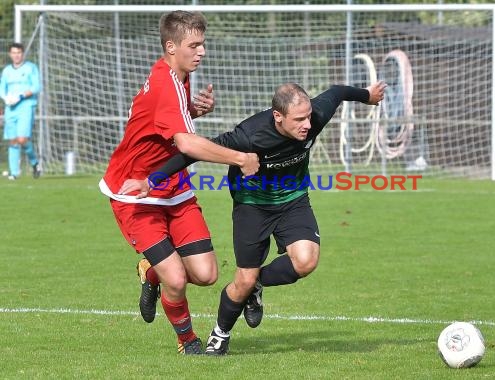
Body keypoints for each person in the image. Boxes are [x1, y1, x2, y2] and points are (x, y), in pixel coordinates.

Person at [120, 80, 386, 355]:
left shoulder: (315, 117)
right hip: (252, 207)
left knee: (306, 261)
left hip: (293, 200)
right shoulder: (249, 135)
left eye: (308, 116)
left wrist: (368, 96)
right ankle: (220, 334)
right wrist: (152, 180)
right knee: (242, 281)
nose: (307, 124)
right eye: (299, 120)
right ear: (277, 117)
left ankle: (257, 284)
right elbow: (192, 153)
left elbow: (338, 92)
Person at [99, 10, 259, 355]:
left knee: (205, 274)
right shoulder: (165, 82)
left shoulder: (178, 75)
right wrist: (239, 158)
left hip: (173, 188)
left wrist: (194, 112)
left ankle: (149, 271)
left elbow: (167, 123)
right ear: (171, 46)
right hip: (134, 192)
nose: (201, 52)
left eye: (203, 44)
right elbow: (186, 144)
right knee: (176, 278)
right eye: (194, 45)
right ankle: (187, 341)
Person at [0, 42, 42, 180]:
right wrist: (6, 98)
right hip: (10, 109)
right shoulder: (6, 71)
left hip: (26, 106)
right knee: (12, 140)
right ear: (10, 54)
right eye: (13, 53)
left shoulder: (31, 68)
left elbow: (36, 87)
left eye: (18, 53)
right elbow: (2, 88)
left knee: (22, 139)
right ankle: (14, 173)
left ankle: (35, 163)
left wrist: (21, 96)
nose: (16, 55)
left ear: (22, 54)